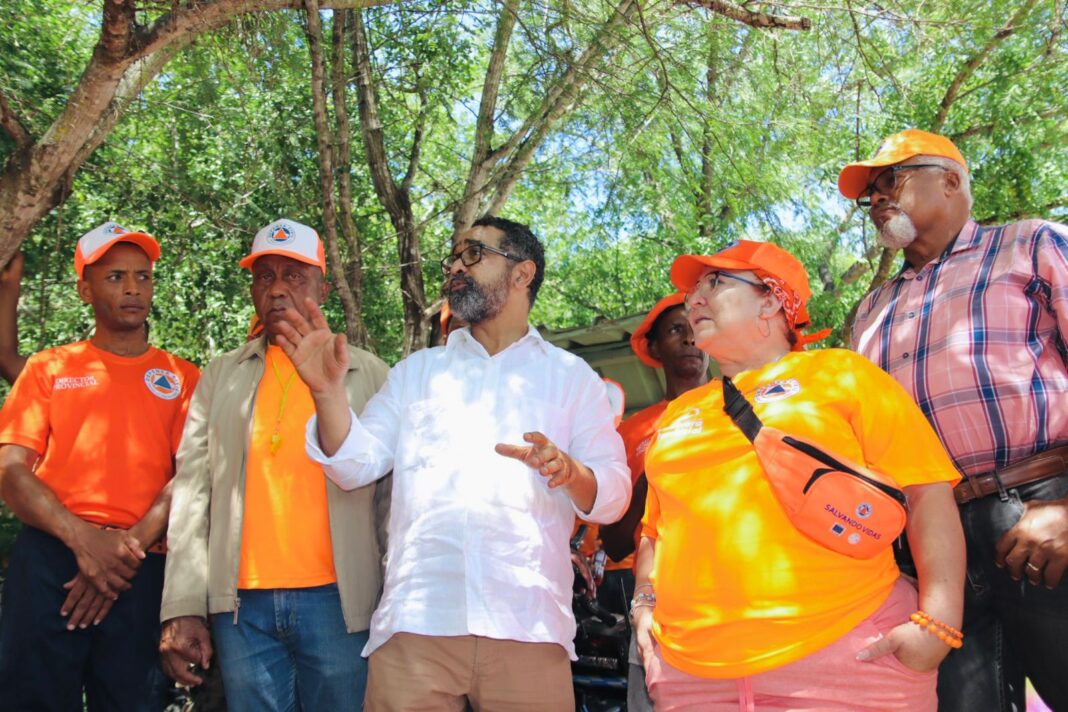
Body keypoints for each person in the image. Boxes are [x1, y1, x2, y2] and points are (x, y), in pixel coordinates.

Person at [276, 215, 630, 711]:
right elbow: (354, 465)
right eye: (453, 258)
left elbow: (613, 496)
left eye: (473, 254)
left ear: (522, 274)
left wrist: (571, 473)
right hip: (417, 624)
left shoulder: (573, 380)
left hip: (527, 625)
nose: (454, 268)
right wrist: (329, 395)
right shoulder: (417, 374)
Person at [632, 240, 965, 711]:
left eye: (716, 282)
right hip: (692, 677)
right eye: (692, 292)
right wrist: (643, 604)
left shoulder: (842, 373)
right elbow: (656, 528)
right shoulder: (680, 411)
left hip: (846, 660)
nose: (694, 300)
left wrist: (939, 622)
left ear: (770, 299)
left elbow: (927, 491)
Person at [842, 128, 1068, 711]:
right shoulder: (870, 310)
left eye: (891, 179)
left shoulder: (1031, 245)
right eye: (870, 195)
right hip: (931, 548)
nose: (877, 201)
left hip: (1044, 514)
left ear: (951, 179)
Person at [158, 218, 390, 712]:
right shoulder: (222, 375)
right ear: (252, 291)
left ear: (323, 288)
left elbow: (393, 498)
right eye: (266, 276)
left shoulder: (367, 372)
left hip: (340, 604)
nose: (278, 289)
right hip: (243, 608)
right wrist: (182, 607)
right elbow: (193, 492)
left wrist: (399, 598)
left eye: (294, 275)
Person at [0, 222, 199, 711]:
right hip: (51, 564)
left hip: (141, 568)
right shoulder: (48, 368)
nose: (132, 288)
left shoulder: (182, 376)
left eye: (143, 276)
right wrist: (81, 539)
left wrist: (120, 553)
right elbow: (10, 469)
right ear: (84, 288)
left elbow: (191, 477)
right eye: (114, 277)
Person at [597, 291, 708, 711]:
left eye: (696, 329)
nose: (690, 339)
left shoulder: (739, 409)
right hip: (641, 586)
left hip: (722, 584)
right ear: (654, 347)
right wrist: (661, 468)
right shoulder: (631, 432)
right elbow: (615, 540)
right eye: (676, 331)